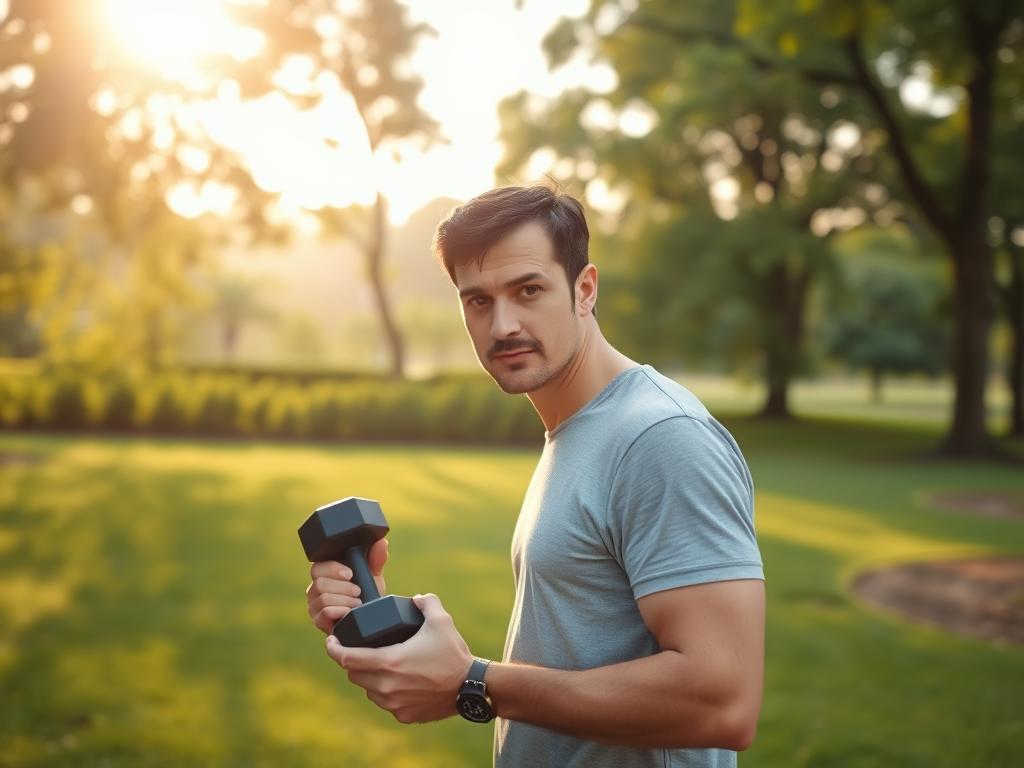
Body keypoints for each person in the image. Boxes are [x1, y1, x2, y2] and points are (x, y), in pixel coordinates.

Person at [305, 184, 765, 767]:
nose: (503, 325)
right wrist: (384, 624)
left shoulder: (659, 438)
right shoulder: (579, 429)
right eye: (478, 300)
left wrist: (474, 682)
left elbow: (723, 702)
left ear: (585, 289)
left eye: (528, 290)